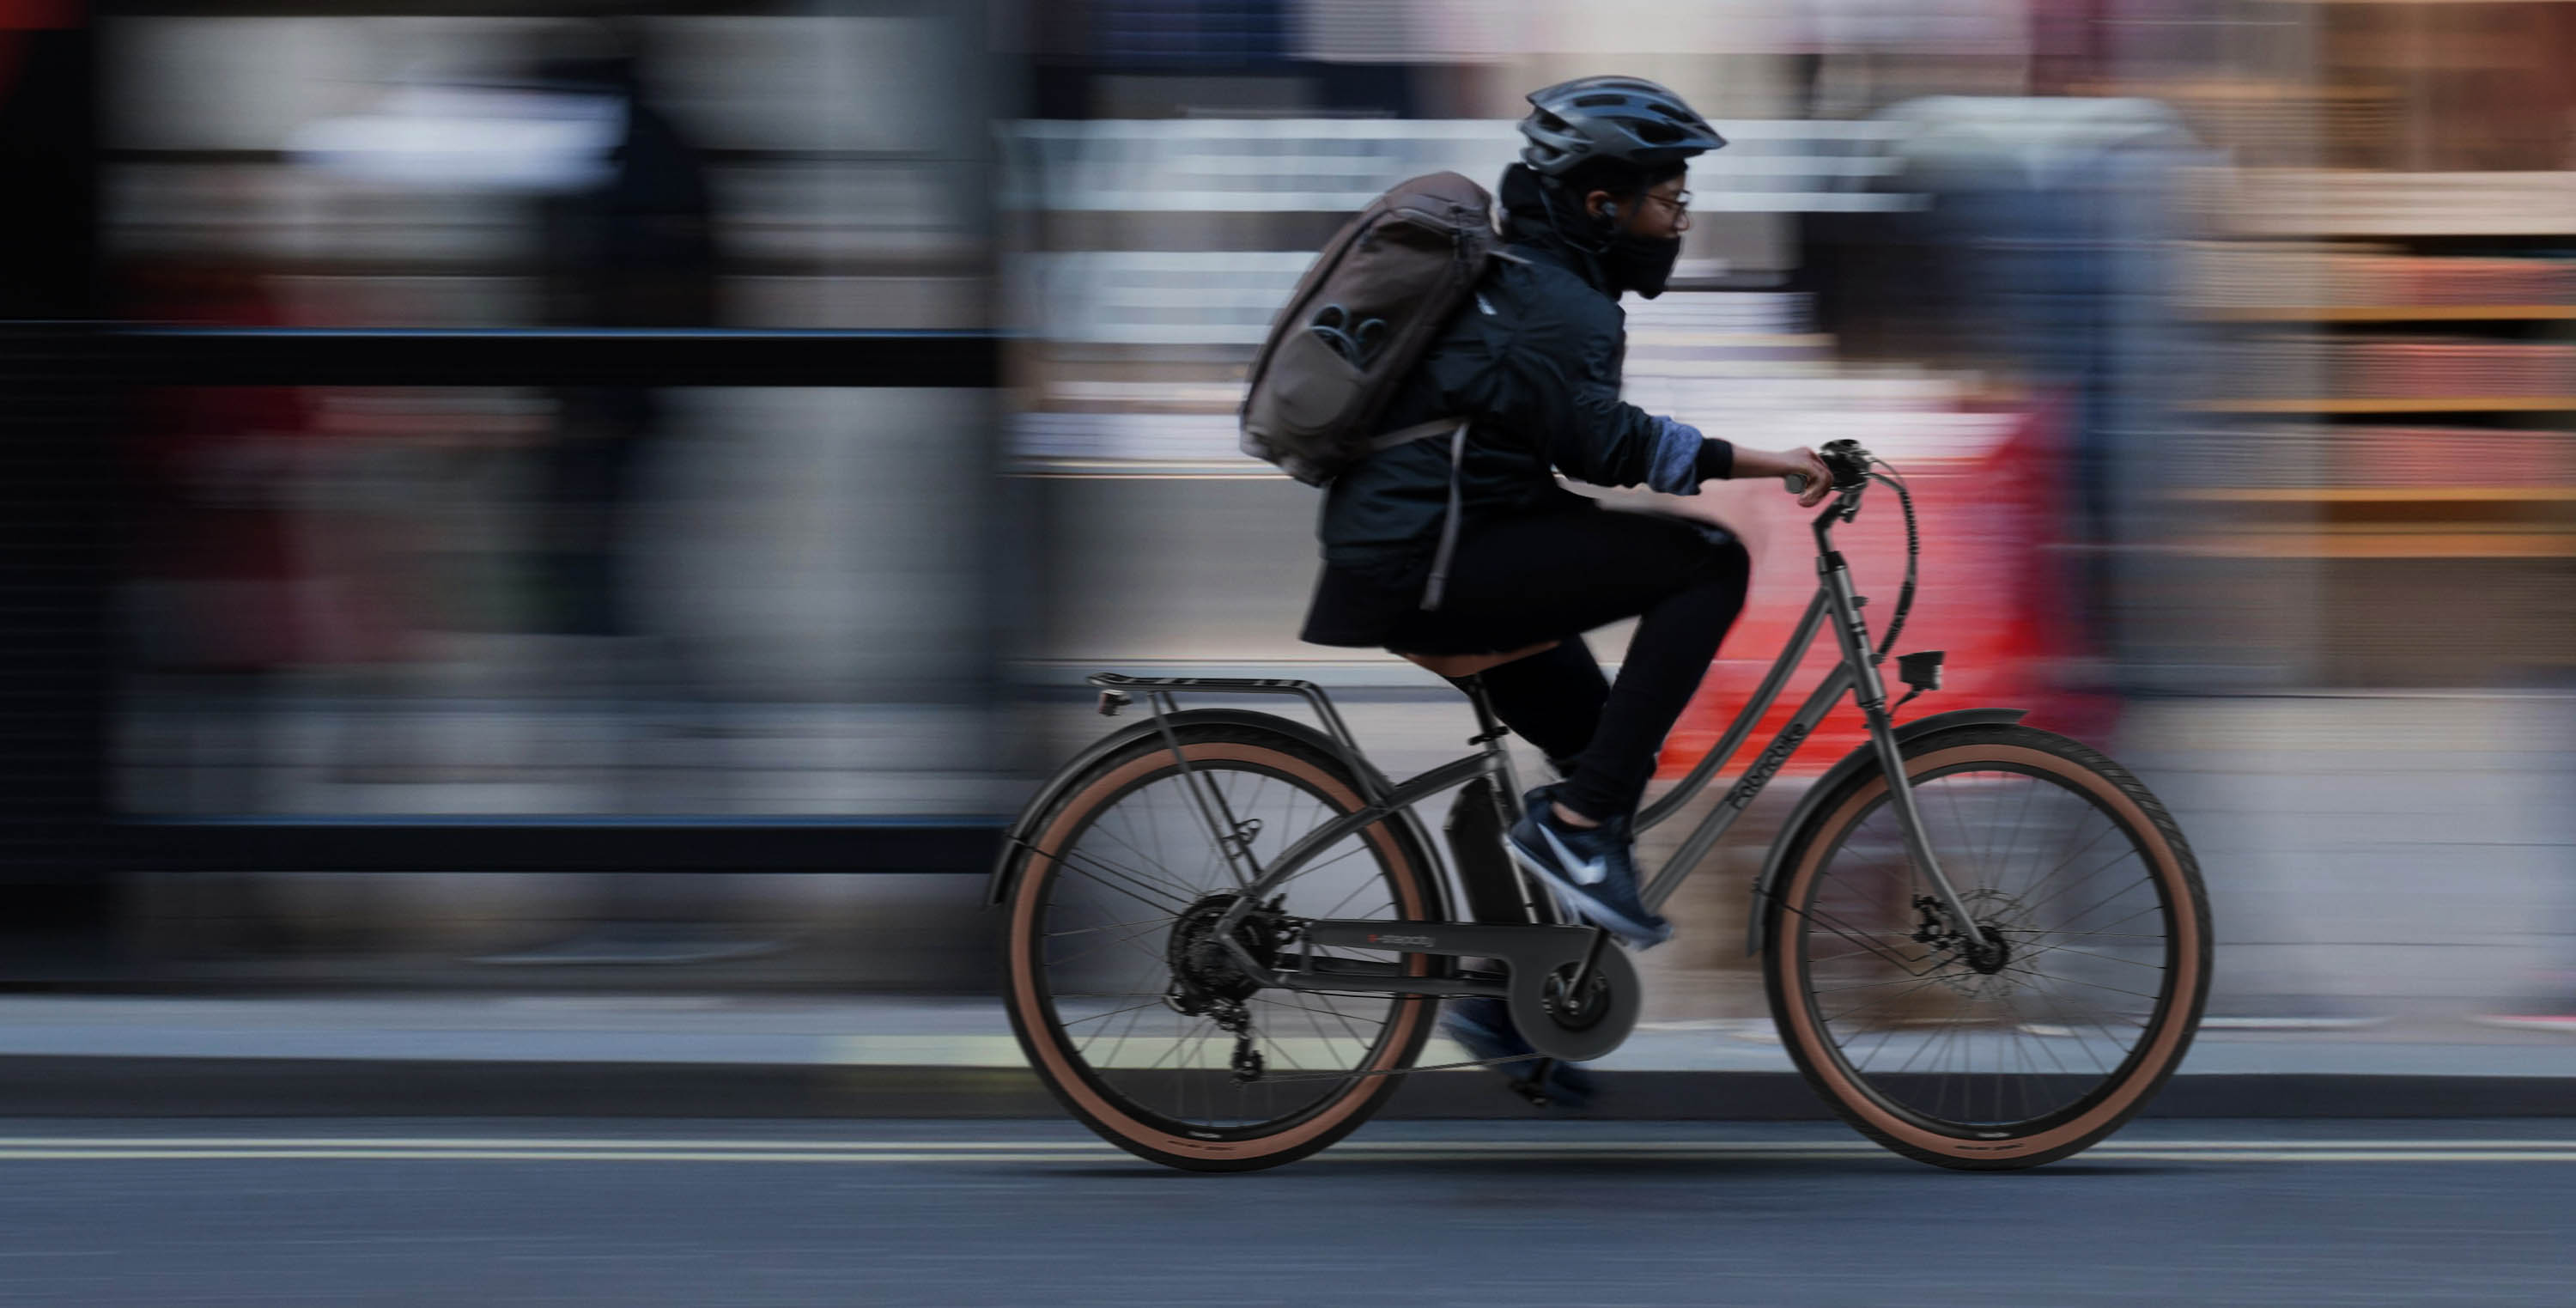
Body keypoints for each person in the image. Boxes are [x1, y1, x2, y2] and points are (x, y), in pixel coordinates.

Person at [1297, 76, 1830, 1098]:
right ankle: (1577, 834)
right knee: (1709, 561)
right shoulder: (1556, 299)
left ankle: (1506, 996)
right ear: (1600, 203)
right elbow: (1610, 445)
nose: (1678, 219)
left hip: (1436, 547)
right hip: (1432, 558)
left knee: (1603, 756)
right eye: (1668, 200)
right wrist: (1773, 462)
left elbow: (1569, 448)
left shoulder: (1534, 279)